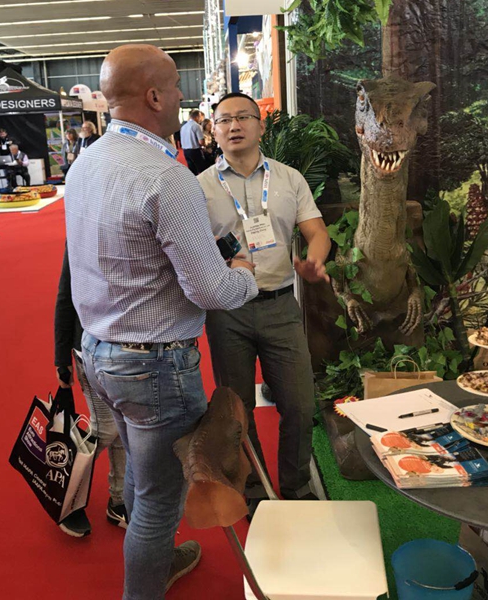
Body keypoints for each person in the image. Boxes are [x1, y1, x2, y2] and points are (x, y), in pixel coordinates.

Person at [65, 44, 258, 600]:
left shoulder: (86, 163)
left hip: (99, 352)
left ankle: (157, 563)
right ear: (154, 96)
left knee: (140, 473)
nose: (181, 97)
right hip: (154, 366)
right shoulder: (166, 177)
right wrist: (246, 273)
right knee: (158, 497)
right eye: (175, 87)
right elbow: (210, 290)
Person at [197, 92, 331, 518]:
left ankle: (296, 485)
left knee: (301, 404)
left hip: (280, 306)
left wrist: (315, 260)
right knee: (237, 411)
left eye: (243, 117)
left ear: (260, 125)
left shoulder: (289, 178)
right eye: (224, 120)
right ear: (214, 131)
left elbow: (317, 231)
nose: (234, 126)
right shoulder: (198, 187)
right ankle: (254, 487)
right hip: (227, 311)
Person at [54, 244, 128, 537]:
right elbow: (65, 294)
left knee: (122, 426)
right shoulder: (81, 225)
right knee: (107, 427)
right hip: (89, 347)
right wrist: (61, 358)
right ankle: (64, 490)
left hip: (129, 345)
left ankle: (119, 500)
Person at [180, 109, 207, 175]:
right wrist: (205, 144)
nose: (201, 120)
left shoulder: (183, 127)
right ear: (197, 117)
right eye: (201, 117)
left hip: (185, 151)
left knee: (192, 171)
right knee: (202, 170)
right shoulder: (196, 126)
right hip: (195, 151)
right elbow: (201, 142)